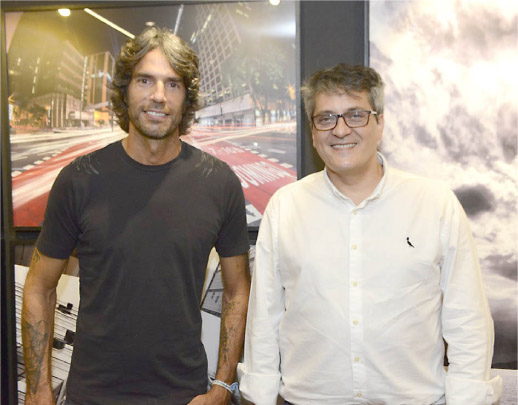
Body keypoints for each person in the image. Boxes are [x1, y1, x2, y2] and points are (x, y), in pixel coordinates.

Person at [237, 64, 502, 405]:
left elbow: (467, 317)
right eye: (326, 118)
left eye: (356, 115)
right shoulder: (285, 207)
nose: (340, 129)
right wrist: (259, 396)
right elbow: (264, 317)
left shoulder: (435, 203)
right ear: (313, 132)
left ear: (380, 123)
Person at [22, 27, 250, 405]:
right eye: (145, 80)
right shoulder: (78, 179)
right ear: (125, 89)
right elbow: (38, 286)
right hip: (92, 396)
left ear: (186, 97)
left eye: (173, 84)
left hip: (185, 395)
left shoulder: (220, 183)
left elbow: (237, 290)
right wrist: (37, 391)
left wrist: (222, 386)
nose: (159, 96)